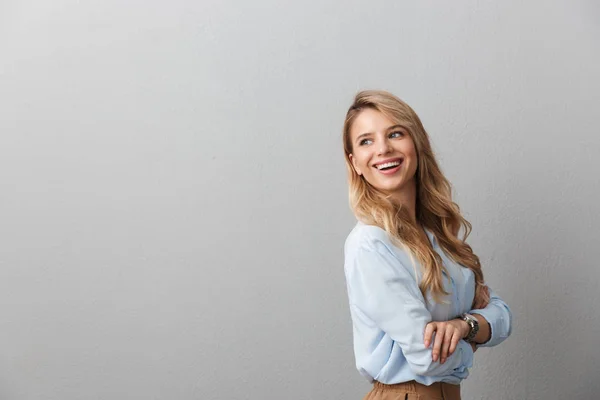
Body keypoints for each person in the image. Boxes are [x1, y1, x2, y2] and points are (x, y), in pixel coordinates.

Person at [342, 90, 512, 400]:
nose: (383, 149)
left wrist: (462, 327)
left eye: (395, 133)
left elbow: (502, 314)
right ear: (355, 162)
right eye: (366, 141)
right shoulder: (371, 244)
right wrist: (476, 333)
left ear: (417, 144)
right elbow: (429, 358)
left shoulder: (439, 235)